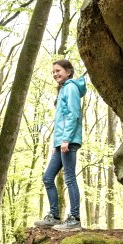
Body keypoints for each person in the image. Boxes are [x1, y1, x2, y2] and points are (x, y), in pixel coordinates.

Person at [34, 59, 86, 231]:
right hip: (60, 142)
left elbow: (73, 115)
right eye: (53, 72)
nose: (55, 74)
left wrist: (66, 140)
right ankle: (54, 216)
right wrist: (56, 143)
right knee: (48, 178)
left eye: (58, 71)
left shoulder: (71, 87)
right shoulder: (64, 88)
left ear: (68, 72)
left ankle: (74, 219)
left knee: (69, 177)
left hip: (68, 141)